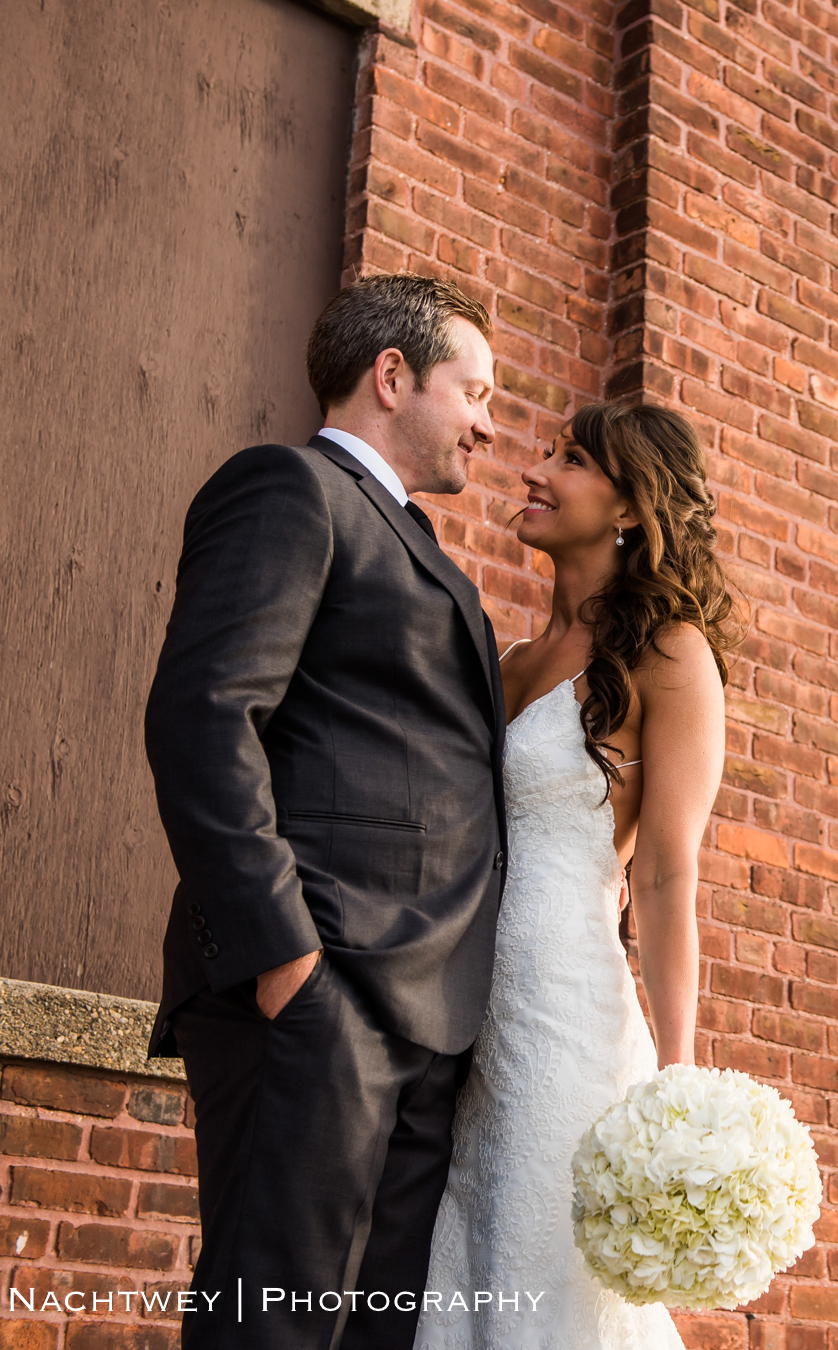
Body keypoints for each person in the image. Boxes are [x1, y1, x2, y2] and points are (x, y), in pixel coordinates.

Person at [144, 275, 507, 1350]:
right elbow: (205, 718)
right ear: (391, 376)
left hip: (425, 1015)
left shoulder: (427, 548)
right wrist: (285, 960)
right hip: (320, 989)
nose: (489, 424)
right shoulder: (287, 491)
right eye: (474, 390)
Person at [412, 400, 732, 1349]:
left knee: (543, 1266)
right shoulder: (505, 658)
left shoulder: (671, 655)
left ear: (632, 505)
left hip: (565, 1015)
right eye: (545, 451)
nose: (536, 469)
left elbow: (671, 875)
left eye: (573, 460)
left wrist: (677, 1072)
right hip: (462, 1013)